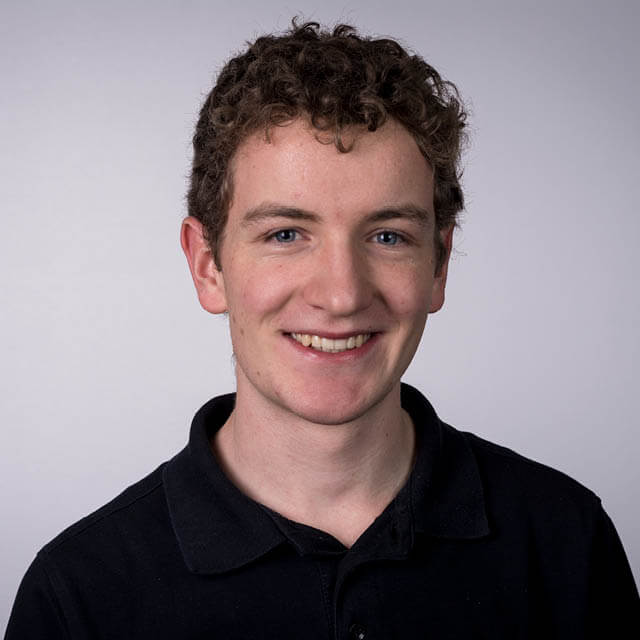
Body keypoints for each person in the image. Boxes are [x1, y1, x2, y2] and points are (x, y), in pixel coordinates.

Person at [5, 20, 639, 639]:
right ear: (207, 266)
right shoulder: (79, 596)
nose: (342, 295)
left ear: (439, 265)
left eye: (388, 236)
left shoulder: (566, 542)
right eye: (286, 234)